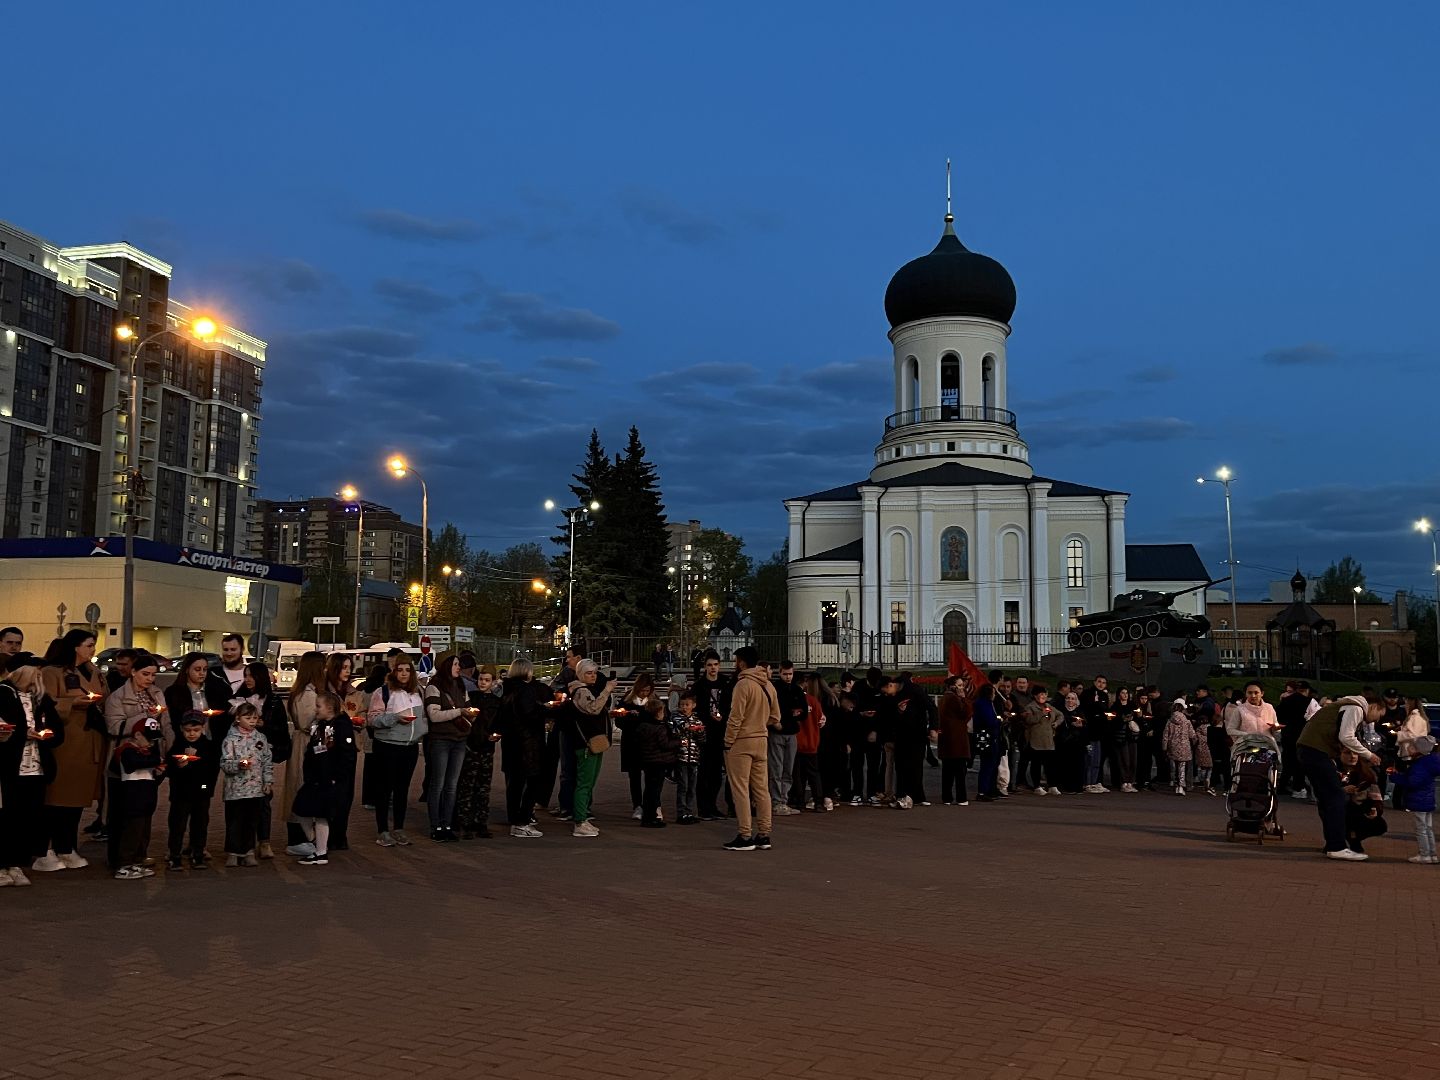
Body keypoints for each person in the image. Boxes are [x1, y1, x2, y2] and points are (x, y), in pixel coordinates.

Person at [41, 630, 106, 871]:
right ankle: (44, 849)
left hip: (90, 741)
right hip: (65, 743)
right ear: (75, 647)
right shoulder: (52, 672)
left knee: (76, 800)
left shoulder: (93, 672)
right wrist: (72, 703)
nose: (93, 649)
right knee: (56, 799)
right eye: (89, 645)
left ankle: (67, 847)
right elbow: (45, 703)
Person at [1295, 690, 1387, 861]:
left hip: (1308, 749)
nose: (1376, 720)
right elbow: (1346, 737)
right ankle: (1337, 846)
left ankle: (1332, 843)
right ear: (1374, 706)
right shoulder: (1356, 708)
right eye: (1378, 715)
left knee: (1327, 799)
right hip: (1316, 751)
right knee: (1336, 797)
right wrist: (1369, 755)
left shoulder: (1344, 706)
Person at [0, 660, 64, 887]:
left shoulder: (41, 699)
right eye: (34, 674)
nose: (38, 679)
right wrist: (21, 734)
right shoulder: (4, 694)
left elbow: (57, 729)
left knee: (30, 815)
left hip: (37, 766)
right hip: (11, 766)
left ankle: (19, 862)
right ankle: (4, 863)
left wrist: (47, 734)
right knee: (9, 815)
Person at [229, 661, 292, 858]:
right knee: (240, 803)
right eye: (246, 675)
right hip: (240, 756)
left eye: (252, 675)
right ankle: (241, 846)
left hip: (263, 755)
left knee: (264, 800)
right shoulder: (237, 699)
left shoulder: (272, 701)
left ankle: (264, 841)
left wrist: (264, 725)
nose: (247, 679)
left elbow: (281, 730)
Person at [721, 646, 778, 852]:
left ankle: (745, 835)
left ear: (742, 662)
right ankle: (764, 833)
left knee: (741, 789)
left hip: (742, 741)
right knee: (762, 790)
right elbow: (775, 717)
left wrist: (728, 741)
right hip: (762, 739)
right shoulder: (768, 685)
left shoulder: (743, 685)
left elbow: (735, 717)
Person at [367, 655, 427, 848]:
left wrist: (422, 730)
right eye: (400, 670)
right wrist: (394, 718)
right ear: (393, 672)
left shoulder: (418, 692)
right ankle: (382, 830)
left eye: (407, 670)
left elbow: (423, 716)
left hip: (409, 747)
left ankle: (399, 828)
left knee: (402, 790)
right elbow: (373, 719)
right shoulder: (383, 692)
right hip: (388, 745)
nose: (403, 674)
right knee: (384, 789)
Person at [290, 691, 354, 866]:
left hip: (328, 779)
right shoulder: (319, 725)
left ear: (330, 708)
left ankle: (320, 852)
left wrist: (337, 777)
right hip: (315, 778)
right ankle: (317, 844)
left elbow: (346, 754)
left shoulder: (341, 725)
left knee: (320, 814)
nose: (315, 709)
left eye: (319, 706)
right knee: (301, 808)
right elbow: (313, 749)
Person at [423, 652, 480, 844]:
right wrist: (460, 711)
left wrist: (470, 717)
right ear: (446, 665)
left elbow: (468, 708)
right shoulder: (434, 686)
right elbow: (434, 715)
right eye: (455, 664)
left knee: (451, 785)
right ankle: (435, 826)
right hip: (441, 740)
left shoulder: (461, 685)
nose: (459, 667)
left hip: (459, 740)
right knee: (437, 784)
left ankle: (447, 824)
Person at [282, 652, 329, 856]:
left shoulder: (308, 692)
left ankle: (306, 836)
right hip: (305, 745)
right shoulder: (306, 695)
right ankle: (297, 838)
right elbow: (307, 723)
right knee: (300, 787)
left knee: (304, 787)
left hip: (309, 744)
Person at [498, 658, 551, 837]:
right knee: (531, 783)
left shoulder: (506, 689)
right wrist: (546, 710)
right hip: (527, 743)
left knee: (514, 785)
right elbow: (529, 714)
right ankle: (523, 820)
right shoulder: (525, 690)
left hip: (511, 742)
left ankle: (515, 820)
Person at [163, 711, 220, 871]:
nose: (192, 734)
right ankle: (175, 855)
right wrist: (177, 766)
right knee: (177, 825)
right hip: (181, 793)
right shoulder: (177, 746)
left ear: (202, 728)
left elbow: (212, 770)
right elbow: (168, 768)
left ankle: (198, 854)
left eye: (196, 730)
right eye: (188, 730)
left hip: (201, 793)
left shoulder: (208, 747)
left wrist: (207, 788)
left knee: (200, 824)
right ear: (182, 729)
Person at [112, 715, 166, 879]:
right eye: (148, 738)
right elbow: (132, 763)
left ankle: (137, 860)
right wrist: (156, 760)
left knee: (143, 833)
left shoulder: (148, 753)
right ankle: (124, 864)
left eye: (153, 739)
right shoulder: (126, 750)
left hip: (147, 799)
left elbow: (153, 776)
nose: (150, 743)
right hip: (132, 800)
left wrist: (159, 772)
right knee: (131, 833)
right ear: (137, 735)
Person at [220, 702, 273, 868]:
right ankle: (233, 852)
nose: (252, 721)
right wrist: (238, 765)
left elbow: (267, 761)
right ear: (237, 718)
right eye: (247, 718)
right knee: (235, 821)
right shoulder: (230, 740)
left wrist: (268, 781)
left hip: (255, 789)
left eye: (254, 718)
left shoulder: (260, 738)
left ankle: (249, 851)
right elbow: (225, 763)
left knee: (251, 821)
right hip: (235, 790)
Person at [568, 659, 614, 838]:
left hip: (593, 741)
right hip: (586, 743)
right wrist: (606, 691)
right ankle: (579, 820)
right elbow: (593, 708)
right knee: (584, 783)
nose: (593, 676)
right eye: (589, 673)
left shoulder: (583, 690)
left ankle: (583, 817)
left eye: (594, 673)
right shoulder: (581, 691)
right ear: (580, 674)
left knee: (589, 782)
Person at [454, 666, 502, 839]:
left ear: (493, 682)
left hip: (487, 748)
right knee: (467, 785)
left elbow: (499, 722)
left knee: (483, 786)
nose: (483, 683)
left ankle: (480, 821)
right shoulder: (471, 698)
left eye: (487, 680)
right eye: (481, 679)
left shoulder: (497, 702)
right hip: (471, 746)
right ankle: (463, 822)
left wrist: (496, 734)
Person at [692, 651, 732, 820]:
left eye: (715, 664)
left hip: (720, 733)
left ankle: (713, 805)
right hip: (705, 734)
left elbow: (730, 704)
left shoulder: (725, 683)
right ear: (705, 667)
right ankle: (703, 807)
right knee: (704, 772)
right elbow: (696, 708)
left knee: (716, 773)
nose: (713, 668)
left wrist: (722, 715)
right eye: (709, 665)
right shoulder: (699, 686)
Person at [1388, 735, 1438, 863]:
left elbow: (1412, 782)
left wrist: (1395, 776)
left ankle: (1424, 854)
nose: (1409, 748)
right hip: (1427, 799)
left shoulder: (1420, 765)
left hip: (1419, 800)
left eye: (1412, 746)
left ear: (1418, 750)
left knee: (1421, 828)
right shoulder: (1429, 762)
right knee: (1428, 828)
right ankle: (1432, 854)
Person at [616, 672, 658, 821]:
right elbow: (618, 721)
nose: (644, 693)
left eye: (647, 690)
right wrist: (628, 716)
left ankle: (650, 804)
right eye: (642, 690)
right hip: (631, 742)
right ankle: (637, 805)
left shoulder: (654, 701)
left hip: (648, 744)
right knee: (634, 776)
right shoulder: (627, 700)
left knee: (650, 775)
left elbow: (659, 720)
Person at [634, 698, 679, 828]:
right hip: (659, 761)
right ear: (659, 712)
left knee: (649, 789)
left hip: (647, 760)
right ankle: (651, 817)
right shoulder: (659, 728)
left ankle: (648, 815)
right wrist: (678, 742)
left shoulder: (642, 726)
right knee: (655, 791)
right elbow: (665, 744)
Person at [769, 661, 805, 814]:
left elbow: (803, 712)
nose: (788, 677)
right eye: (785, 674)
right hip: (778, 732)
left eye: (790, 674)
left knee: (788, 769)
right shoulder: (775, 688)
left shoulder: (797, 689)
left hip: (791, 733)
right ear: (780, 672)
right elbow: (778, 710)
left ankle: (783, 800)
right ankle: (777, 801)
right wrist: (789, 715)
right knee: (776, 768)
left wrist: (791, 714)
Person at [1338, 749, 1387, 855]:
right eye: (1347, 753)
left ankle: (1353, 836)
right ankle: (1343, 840)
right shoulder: (1334, 771)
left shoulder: (1366, 773)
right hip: (1340, 808)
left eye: (1355, 753)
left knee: (1380, 825)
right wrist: (1343, 790)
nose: (1352, 756)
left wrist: (1375, 809)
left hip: (1360, 809)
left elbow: (1376, 796)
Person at [1275, 680, 1317, 800]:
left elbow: (1279, 717)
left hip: (1287, 735)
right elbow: (1315, 719)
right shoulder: (1310, 702)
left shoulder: (1286, 701)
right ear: (1307, 691)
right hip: (1303, 736)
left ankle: (1285, 786)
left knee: (1289, 761)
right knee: (1300, 762)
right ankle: (1299, 787)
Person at [794, 675, 830, 812]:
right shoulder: (813, 701)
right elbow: (821, 721)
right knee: (814, 775)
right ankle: (818, 802)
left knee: (799, 775)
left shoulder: (794, 701)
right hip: (812, 742)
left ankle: (800, 802)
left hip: (797, 744)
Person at [936, 674, 972, 805]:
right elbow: (966, 713)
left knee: (947, 772)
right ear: (953, 686)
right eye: (960, 685)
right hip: (957, 740)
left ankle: (947, 797)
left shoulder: (944, 698)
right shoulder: (954, 699)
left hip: (947, 740)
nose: (963, 688)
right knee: (960, 772)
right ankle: (961, 797)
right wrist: (964, 698)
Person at [671, 689, 705, 824]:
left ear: (693, 705)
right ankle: (681, 812)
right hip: (682, 756)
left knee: (692, 786)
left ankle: (689, 812)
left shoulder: (697, 720)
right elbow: (674, 732)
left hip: (694, 757)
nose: (684, 707)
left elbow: (703, 740)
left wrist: (700, 732)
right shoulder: (675, 717)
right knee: (683, 785)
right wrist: (685, 728)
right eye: (682, 705)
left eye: (687, 705)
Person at [972, 683, 1004, 802]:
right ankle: (983, 791)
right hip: (986, 736)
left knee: (989, 764)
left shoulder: (982, 703)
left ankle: (987, 789)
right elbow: (990, 720)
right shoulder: (984, 704)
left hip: (985, 735)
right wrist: (999, 721)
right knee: (988, 764)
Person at [1078, 675, 1110, 793]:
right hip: (1089, 731)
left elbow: (1104, 709)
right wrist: (1095, 704)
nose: (1101, 684)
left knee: (1097, 759)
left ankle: (1095, 781)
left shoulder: (1104, 695)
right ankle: (1087, 783)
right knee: (1089, 759)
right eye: (1099, 682)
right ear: (1094, 682)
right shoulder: (1087, 694)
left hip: (1100, 732)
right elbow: (1086, 709)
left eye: (1104, 682)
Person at [1163, 698, 1197, 796]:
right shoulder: (1187, 722)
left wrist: (1164, 748)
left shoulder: (1170, 721)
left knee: (1173, 764)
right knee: (1182, 766)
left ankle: (1173, 781)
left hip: (1172, 746)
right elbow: (1192, 735)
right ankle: (1180, 786)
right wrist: (1195, 742)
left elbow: (1165, 736)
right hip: (1184, 746)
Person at [1111, 687, 1141, 793]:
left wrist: (1136, 717)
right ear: (1119, 695)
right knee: (1124, 760)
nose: (1125, 695)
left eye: (1126, 693)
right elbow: (1112, 719)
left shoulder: (1132, 705)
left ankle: (1130, 782)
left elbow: (1138, 716)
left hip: (1132, 736)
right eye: (1123, 693)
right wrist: (1123, 719)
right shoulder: (1115, 706)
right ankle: (1123, 782)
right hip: (1121, 737)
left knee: (1133, 760)